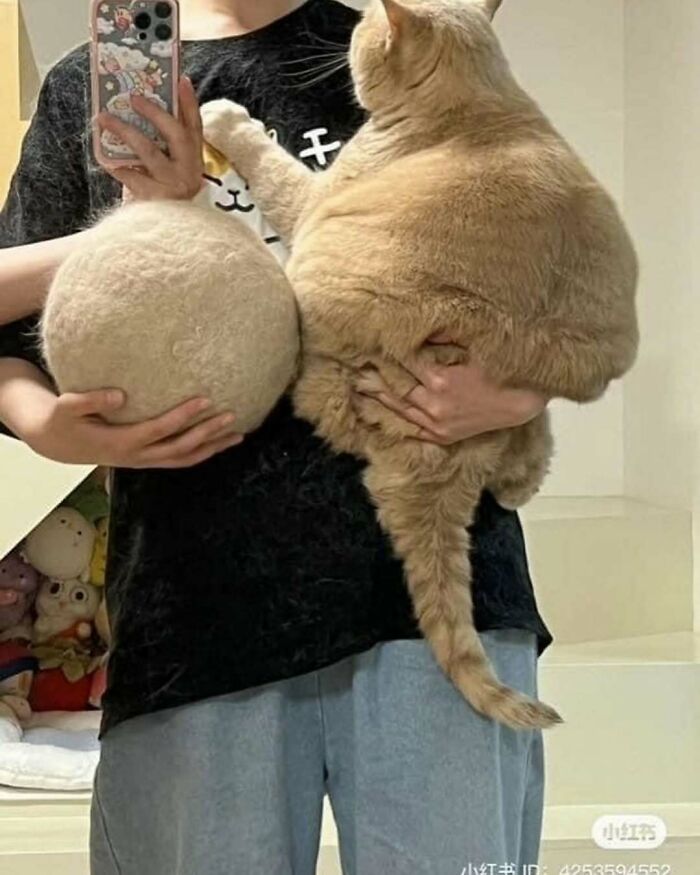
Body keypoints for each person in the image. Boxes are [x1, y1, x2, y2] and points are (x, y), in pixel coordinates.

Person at [0, 1, 554, 873]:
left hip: (435, 586)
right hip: (195, 605)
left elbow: (552, 270)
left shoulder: (392, 54)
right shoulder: (92, 87)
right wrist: (44, 426)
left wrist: (517, 389)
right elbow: (11, 343)